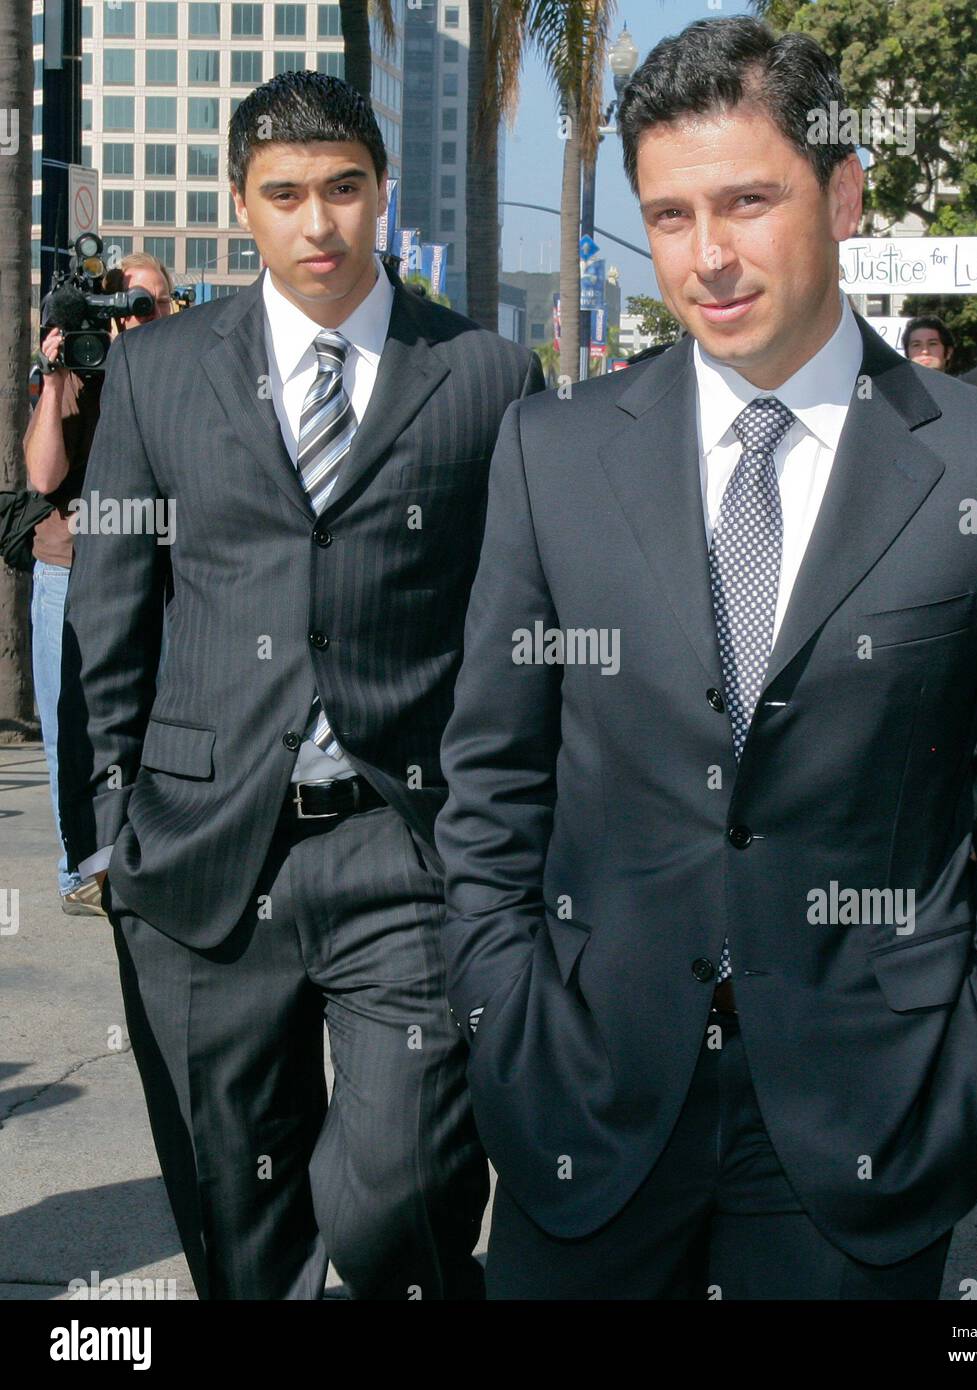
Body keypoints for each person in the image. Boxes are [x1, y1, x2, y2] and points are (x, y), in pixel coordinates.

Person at [433, 14, 977, 1300]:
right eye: (671, 215)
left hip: (866, 1116)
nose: (708, 256)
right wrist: (505, 1012)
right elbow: (491, 774)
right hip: (582, 1092)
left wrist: (972, 1044)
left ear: (842, 194)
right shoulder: (550, 452)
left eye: (747, 201)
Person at [57, 71, 542, 1301]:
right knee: (240, 1230)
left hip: (409, 849)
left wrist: (514, 840)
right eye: (284, 195)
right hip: (199, 853)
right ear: (240, 208)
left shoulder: (487, 375)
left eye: (342, 189)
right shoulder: (161, 373)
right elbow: (110, 610)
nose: (316, 223)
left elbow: (523, 627)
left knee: (403, 1201)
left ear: (381, 194)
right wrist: (110, 833)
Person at [23, 251, 173, 916]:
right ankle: (78, 868)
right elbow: (44, 479)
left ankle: (138, 862)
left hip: (160, 572)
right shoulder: (83, 373)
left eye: (155, 304)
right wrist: (55, 380)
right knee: (69, 726)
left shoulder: (183, 376)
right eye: (130, 303)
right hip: (71, 567)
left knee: (158, 721)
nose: (141, 316)